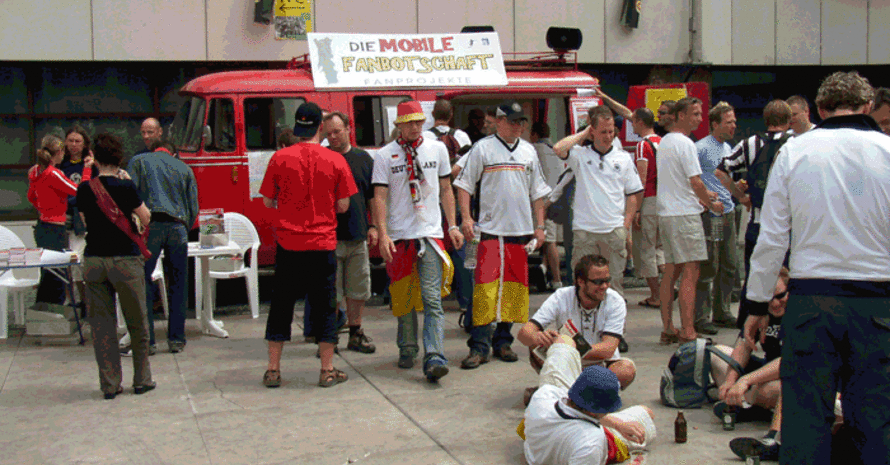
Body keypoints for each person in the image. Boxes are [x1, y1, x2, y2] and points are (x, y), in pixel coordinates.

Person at [745, 71, 890, 464]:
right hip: (877, 304)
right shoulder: (888, 150)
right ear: (868, 107)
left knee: (805, 421)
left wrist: (757, 305)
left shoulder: (795, 152)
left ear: (820, 110)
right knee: (876, 421)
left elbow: (772, 238)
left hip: (811, 303)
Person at [260, 101, 357, 388]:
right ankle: (327, 370)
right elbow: (343, 205)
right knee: (325, 306)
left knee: (280, 305)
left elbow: (267, 200)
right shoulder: (336, 160)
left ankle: (273, 370)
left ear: (297, 126)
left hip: (288, 244)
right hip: (322, 244)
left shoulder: (279, 158)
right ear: (320, 128)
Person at [371, 100, 463, 382]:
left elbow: (446, 188)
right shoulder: (385, 155)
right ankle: (407, 347)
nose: (414, 127)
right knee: (404, 298)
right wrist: (383, 234)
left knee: (432, 299)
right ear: (398, 125)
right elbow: (379, 196)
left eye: (418, 122)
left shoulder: (437, 149)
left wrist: (453, 225)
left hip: (431, 235)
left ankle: (434, 355)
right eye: (409, 122)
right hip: (400, 237)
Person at [454, 100, 550, 370]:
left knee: (514, 290)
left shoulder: (529, 152)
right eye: (513, 121)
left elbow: (538, 193)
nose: (518, 126)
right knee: (485, 290)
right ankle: (479, 345)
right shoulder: (482, 148)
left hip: (519, 233)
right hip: (489, 232)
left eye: (521, 122)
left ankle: (503, 341)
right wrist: (467, 218)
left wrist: (539, 226)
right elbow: (463, 185)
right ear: (498, 121)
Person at [75, 133, 155, 400]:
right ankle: (142, 379)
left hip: (95, 259)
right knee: (137, 322)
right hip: (126, 259)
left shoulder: (85, 189)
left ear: (95, 159)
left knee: (102, 326)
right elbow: (146, 217)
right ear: (119, 158)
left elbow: (86, 222)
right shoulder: (126, 186)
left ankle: (110, 384)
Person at [715, 100, 793, 332]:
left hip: (757, 222)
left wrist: (741, 197)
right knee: (787, 277)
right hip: (788, 224)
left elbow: (721, 170)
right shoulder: (796, 143)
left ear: (766, 120)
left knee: (754, 274)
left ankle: (748, 322)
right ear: (789, 120)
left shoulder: (750, 143)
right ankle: (782, 324)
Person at [522, 334, 655, 465]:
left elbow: (583, 410)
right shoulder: (591, 442)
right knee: (647, 413)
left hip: (540, 442)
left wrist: (618, 424)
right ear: (593, 412)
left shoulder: (543, 395)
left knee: (564, 341)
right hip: (573, 446)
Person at [553, 105, 643, 298]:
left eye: (611, 131)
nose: (608, 136)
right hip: (585, 232)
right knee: (583, 286)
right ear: (592, 132)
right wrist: (585, 132)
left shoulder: (624, 158)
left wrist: (625, 226)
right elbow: (558, 148)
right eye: (603, 131)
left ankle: (613, 325)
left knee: (613, 286)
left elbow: (633, 194)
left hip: (613, 232)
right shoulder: (580, 155)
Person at [655, 97, 723, 344]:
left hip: (667, 213)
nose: (700, 118)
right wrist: (710, 202)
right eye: (695, 114)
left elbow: (683, 181)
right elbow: (694, 181)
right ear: (680, 115)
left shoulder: (665, 142)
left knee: (671, 271)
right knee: (691, 273)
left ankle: (668, 328)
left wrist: (704, 194)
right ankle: (688, 331)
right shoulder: (685, 144)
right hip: (685, 214)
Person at [518, 254, 636, 388]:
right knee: (535, 344)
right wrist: (538, 336)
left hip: (600, 363)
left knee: (626, 370)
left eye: (607, 280)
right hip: (565, 361)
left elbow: (608, 348)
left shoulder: (615, 301)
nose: (604, 286)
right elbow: (523, 333)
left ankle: (563, 391)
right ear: (581, 281)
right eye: (598, 282)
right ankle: (582, 394)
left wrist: (566, 347)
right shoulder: (561, 296)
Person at [127, 139, 199, 354]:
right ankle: (176, 339)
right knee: (178, 283)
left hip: (151, 226)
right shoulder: (184, 168)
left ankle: (147, 341)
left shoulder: (139, 161)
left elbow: (130, 193)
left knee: (144, 280)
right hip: (178, 227)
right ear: (173, 152)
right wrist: (185, 225)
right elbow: (193, 205)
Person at [709, 269, 789, 462]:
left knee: (776, 386)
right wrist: (729, 381)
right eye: (769, 299)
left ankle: (773, 438)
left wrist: (745, 380)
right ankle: (746, 401)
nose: (775, 303)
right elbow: (744, 345)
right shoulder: (761, 311)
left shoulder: (799, 314)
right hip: (765, 371)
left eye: (780, 296)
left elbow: (790, 363)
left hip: (786, 375)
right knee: (717, 354)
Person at [321, 111, 377, 354]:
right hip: (328, 236)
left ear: (348, 129)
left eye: (337, 131)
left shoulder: (364, 159)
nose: (333, 137)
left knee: (358, 289)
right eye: (328, 133)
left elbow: (372, 196)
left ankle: (356, 333)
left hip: (357, 235)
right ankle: (328, 339)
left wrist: (374, 225)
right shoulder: (321, 158)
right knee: (331, 292)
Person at [27, 135, 92, 310]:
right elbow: (80, 191)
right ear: (59, 152)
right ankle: (54, 310)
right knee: (58, 273)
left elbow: (30, 196)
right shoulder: (54, 173)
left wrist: (43, 207)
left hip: (41, 226)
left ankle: (43, 309)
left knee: (47, 272)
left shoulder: (35, 171)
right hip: (56, 228)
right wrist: (86, 170)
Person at [693, 102, 739, 335]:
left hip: (728, 211)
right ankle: (701, 316)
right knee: (709, 265)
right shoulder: (700, 148)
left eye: (734, 121)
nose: (734, 125)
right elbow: (692, 180)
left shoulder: (728, 148)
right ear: (715, 124)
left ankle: (723, 311)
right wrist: (706, 202)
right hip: (711, 215)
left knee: (729, 264)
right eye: (729, 122)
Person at [59, 126, 97, 310]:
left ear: (84, 144)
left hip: (84, 219)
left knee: (79, 262)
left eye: (78, 141)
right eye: (71, 141)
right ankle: (72, 301)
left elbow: (92, 190)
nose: (74, 145)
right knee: (66, 264)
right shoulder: (60, 164)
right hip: (63, 217)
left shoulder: (91, 165)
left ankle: (86, 302)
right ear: (65, 143)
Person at [631, 107, 664, 309]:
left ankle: (656, 294)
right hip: (664, 200)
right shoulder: (661, 142)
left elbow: (641, 179)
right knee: (660, 247)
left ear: (640, 122)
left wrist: (637, 208)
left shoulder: (643, 145)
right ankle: (668, 285)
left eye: (633, 122)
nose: (632, 126)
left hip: (649, 199)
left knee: (647, 249)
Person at [530, 121, 565, 290]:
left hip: (542, 200)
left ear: (535, 134)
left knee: (548, 241)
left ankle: (557, 280)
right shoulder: (558, 149)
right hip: (556, 199)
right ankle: (543, 269)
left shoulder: (535, 149)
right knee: (550, 240)